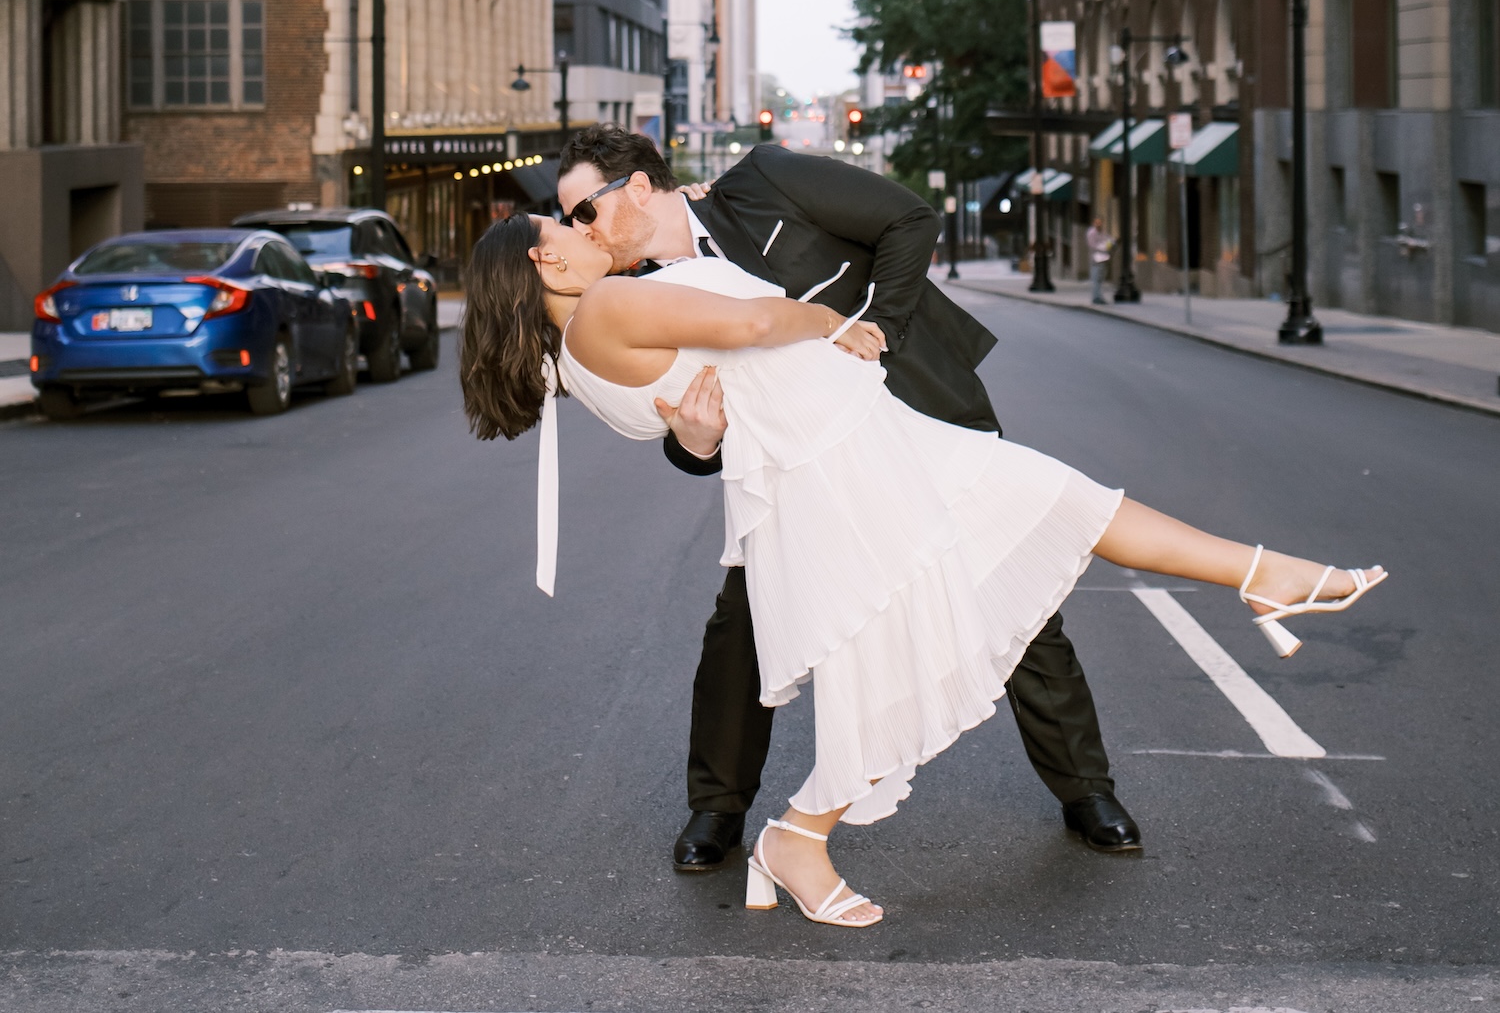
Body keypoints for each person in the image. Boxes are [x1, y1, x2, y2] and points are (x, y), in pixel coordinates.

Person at [460, 212, 1386, 932]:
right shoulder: (612, 308)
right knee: (894, 670)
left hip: (859, 454)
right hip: (845, 474)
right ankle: (796, 841)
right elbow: (748, 324)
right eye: (565, 230)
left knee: (1069, 502)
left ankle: (1268, 573)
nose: (583, 232)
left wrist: (702, 430)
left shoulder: (574, 371)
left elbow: (697, 419)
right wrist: (834, 321)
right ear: (544, 264)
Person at [555, 126, 1140, 873]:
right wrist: (695, 443)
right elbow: (680, 412)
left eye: (585, 213)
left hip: (917, 411)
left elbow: (908, 219)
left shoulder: (766, 179)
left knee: (1010, 593)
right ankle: (716, 809)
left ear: (637, 187)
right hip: (797, 469)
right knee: (743, 620)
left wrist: (879, 328)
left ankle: (1087, 790)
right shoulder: (642, 295)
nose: (583, 234)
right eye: (571, 222)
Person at [1086, 218, 1113, 305]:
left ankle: (1099, 296)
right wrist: (1103, 247)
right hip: (1096, 258)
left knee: (1100, 279)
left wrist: (1110, 243)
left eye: (1100, 223)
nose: (1099, 224)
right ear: (1093, 223)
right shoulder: (1091, 233)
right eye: (1097, 223)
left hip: (1103, 258)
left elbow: (1108, 241)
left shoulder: (1103, 232)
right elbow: (1093, 246)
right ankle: (1096, 297)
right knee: (1096, 278)